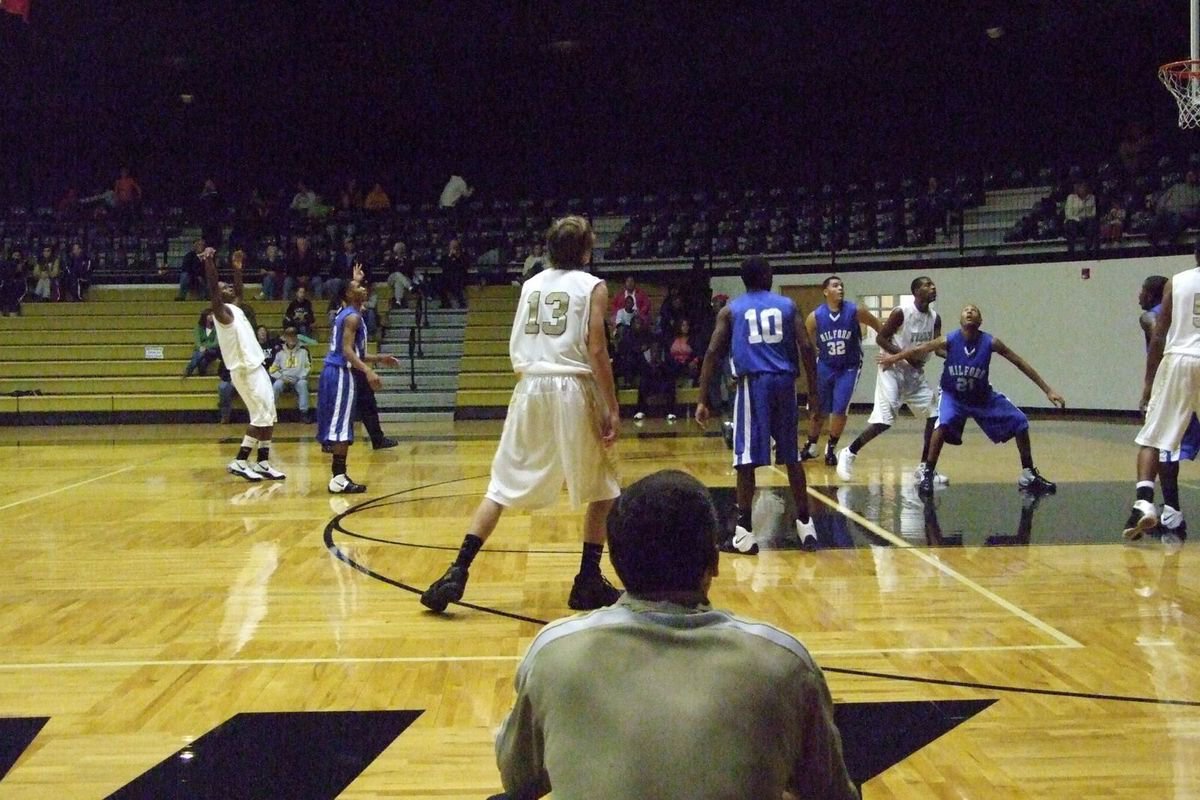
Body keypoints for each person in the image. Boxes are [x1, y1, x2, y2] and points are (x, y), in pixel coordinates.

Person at [493, 469, 859, 800]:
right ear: (714, 561)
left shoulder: (554, 654)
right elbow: (831, 792)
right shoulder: (784, 663)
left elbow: (517, 776)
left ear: (617, 564)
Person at [421, 215, 622, 612]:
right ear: (585, 250)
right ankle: (586, 579)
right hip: (571, 386)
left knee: (500, 486)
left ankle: (456, 570)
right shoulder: (593, 286)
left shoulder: (530, 285)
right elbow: (597, 349)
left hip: (530, 387)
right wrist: (611, 406)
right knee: (603, 489)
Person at [695, 256, 820, 554]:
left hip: (753, 384)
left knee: (746, 458)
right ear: (767, 275)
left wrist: (702, 398)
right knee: (791, 456)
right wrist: (814, 394)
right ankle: (805, 525)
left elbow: (713, 352)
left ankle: (744, 531)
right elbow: (805, 347)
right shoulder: (788, 305)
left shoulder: (732, 309)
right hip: (785, 383)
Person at [878, 303, 1064, 497]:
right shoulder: (950, 339)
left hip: (982, 397)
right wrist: (894, 358)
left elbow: (1019, 362)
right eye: (965, 310)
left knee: (1021, 422)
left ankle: (1028, 474)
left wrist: (1048, 390)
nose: (969, 311)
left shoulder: (991, 342)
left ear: (980, 321)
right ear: (960, 320)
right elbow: (920, 348)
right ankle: (928, 473)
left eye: (973, 310)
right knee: (942, 424)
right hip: (953, 396)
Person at [837, 276, 944, 486]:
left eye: (933, 284)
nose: (932, 287)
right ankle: (849, 453)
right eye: (927, 285)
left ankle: (925, 468)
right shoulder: (901, 312)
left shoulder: (934, 318)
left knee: (935, 416)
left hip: (914, 372)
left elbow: (936, 346)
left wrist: (957, 355)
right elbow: (880, 338)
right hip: (891, 368)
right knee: (885, 421)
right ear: (915, 291)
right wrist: (904, 355)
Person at [201, 247, 286, 482]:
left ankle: (263, 462)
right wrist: (210, 262)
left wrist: (238, 270)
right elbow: (213, 287)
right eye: (223, 287)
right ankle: (240, 460)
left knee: (269, 415)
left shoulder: (236, 308)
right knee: (259, 417)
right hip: (244, 371)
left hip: (257, 367)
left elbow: (239, 292)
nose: (228, 288)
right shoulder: (221, 314)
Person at [316, 268, 402, 494]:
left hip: (336, 372)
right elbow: (346, 351)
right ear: (348, 295)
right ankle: (338, 477)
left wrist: (379, 359)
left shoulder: (349, 312)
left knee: (342, 425)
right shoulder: (352, 316)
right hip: (340, 374)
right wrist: (368, 371)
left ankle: (339, 475)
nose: (363, 288)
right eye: (357, 288)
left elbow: (355, 352)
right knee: (342, 427)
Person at [1127, 273, 1200, 540]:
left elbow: (1158, 336)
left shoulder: (1177, 282)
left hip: (1180, 362)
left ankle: (1145, 502)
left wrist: (1148, 385)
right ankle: (1171, 510)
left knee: (1154, 438)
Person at [803, 275, 883, 465]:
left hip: (849, 366)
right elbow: (805, 339)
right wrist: (811, 352)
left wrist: (888, 348)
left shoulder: (855, 311)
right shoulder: (815, 316)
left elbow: (878, 326)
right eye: (835, 286)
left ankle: (831, 447)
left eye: (842, 286)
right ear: (825, 291)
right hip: (824, 365)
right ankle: (811, 446)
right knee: (817, 409)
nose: (840, 288)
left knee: (839, 408)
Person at [1064, 180, 1098, 256]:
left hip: (1086, 221)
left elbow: (1093, 213)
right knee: (1071, 224)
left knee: (1092, 223)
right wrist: (1078, 219)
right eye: (1082, 187)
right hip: (1074, 220)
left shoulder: (1092, 198)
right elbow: (1068, 214)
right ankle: (1071, 251)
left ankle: (1088, 248)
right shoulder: (1071, 198)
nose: (1083, 189)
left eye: (1085, 187)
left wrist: (1085, 218)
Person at [184, 309, 220, 377]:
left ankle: (189, 369)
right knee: (202, 361)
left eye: (213, 315)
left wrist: (205, 347)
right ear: (204, 316)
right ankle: (201, 372)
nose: (212, 316)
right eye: (210, 315)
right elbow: (197, 341)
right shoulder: (198, 327)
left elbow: (216, 343)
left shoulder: (217, 327)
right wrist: (201, 347)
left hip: (212, 351)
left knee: (200, 353)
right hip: (200, 350)